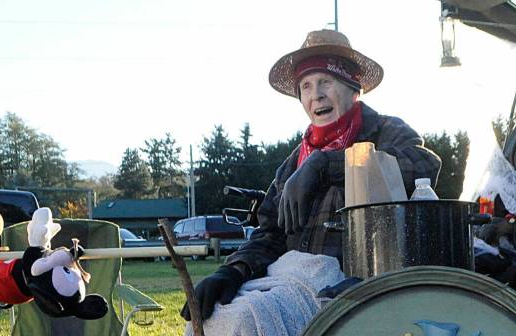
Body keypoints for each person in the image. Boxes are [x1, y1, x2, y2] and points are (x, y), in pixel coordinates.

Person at [182, 29, 442, 320]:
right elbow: (270, 233)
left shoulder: (385, 132)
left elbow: (424, 164)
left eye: (325, 82)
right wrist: (232, 270)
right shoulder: (294, 163)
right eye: (305, 86)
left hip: (361, 286)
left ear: (352, 87)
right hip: (293, 282)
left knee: (251, 319)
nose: (315, 95)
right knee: (219, 317)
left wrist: (327, 165)